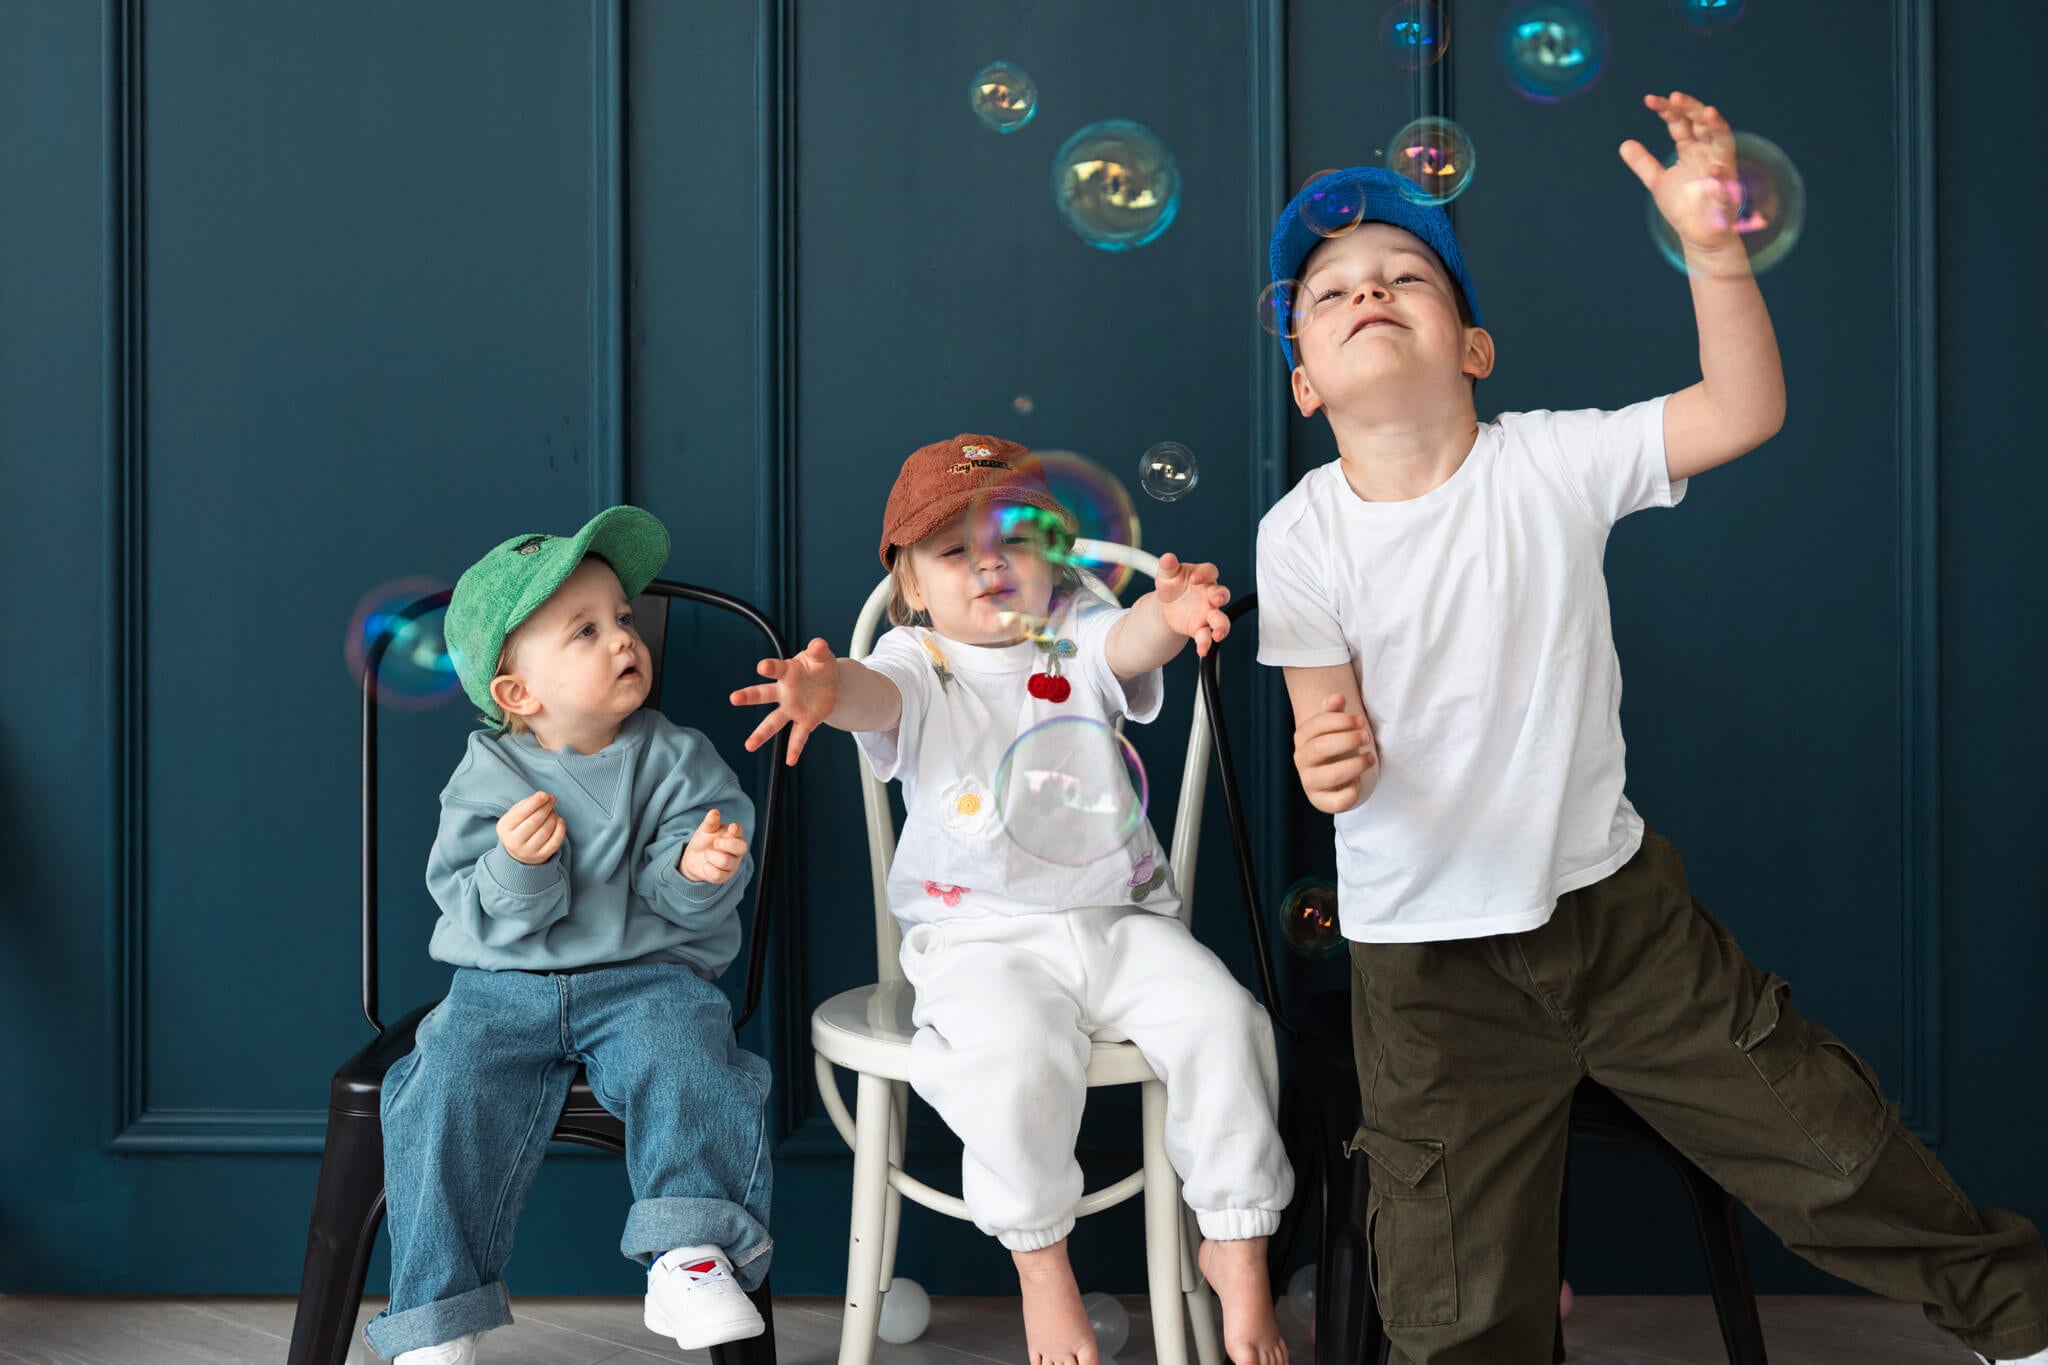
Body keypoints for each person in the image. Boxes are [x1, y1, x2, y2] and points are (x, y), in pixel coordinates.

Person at [1256, 92, 2048, 1364]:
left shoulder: (1552, 465)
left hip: (1618, 926)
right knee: (1454, 1304)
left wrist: (1711, 243)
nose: (1368, 290)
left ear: (1474, 351)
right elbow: (1323, 729)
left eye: (1407, 274)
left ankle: (2021, 1324)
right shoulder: (1298, 532)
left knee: (1830, 1154)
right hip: (1424, 971)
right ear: (1304, 379)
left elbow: (1741, 409)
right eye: (1331, 288)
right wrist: (1323, 755)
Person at [734, 435, 1293, 1365]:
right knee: (1017, 1059)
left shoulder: (1075, 631)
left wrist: (1166, 610)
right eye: (954, 551)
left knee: (1228, 1022)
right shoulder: (916, 660)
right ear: (912, 586)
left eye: (1015, 540)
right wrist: (828, 689)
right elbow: (876, 698)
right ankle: (1043, 1265)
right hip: (979, 940)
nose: (989, 562)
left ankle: (1236, 1244)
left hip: (1121, 924)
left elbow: (1132, 644)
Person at [366, 506, 773, 1365]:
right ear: (518, 694)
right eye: (584, 630)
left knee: (692, 1055)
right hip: (499, 986)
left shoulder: (678, 757)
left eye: (622, 619)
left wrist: (699, 868)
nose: (622, 638)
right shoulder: (489, 775)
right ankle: (439, 1318)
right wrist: (517, 866)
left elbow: (686, 902)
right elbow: (465, 899)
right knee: (442, 1087)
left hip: (644, 978)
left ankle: (690, 1253)